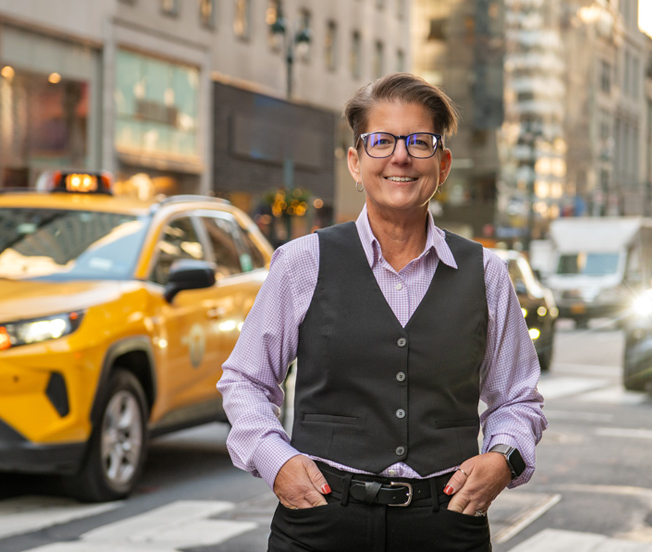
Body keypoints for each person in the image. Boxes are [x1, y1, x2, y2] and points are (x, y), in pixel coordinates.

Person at [218, 72, 547, 552]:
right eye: (381, 141)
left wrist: (503, 459)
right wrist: (277, 461)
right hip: (321, 523)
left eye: (419, 142)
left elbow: (519, 398)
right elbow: (245, 379)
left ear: (443, 163)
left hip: (446, 524)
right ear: (355, 162)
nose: (400, 156)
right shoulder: (302, 262)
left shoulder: (486, 273)